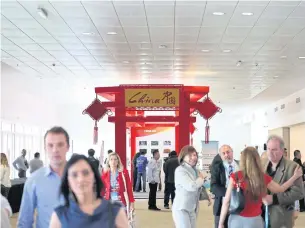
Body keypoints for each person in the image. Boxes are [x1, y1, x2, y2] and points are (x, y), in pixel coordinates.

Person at [218, 147, 303, 228]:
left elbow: (226, 202)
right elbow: (281, 189)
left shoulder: (235, 176)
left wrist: (221, 223)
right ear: (257, 160)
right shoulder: (262, 177)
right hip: (254, 220)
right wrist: (294, 177)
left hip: (235, 220)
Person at [49, 154, 128, 228]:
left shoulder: (115, 212)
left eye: (85, 173)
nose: (81, 179)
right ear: (67, 181)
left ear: (94, 176)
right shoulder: (59, 216)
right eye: (74, 175)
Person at [17, 126, 69, 228]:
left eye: (60, 144)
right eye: (50, 145)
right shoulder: (34, 180)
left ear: (68, 147)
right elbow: (25, 221)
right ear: (45, 148)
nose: (55, 150)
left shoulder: (83, 178)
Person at [262, 135, 305, 228]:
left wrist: (274, 199)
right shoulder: (262, 164)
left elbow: (299, 193)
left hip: (281, 217)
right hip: (262, 216)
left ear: (282, 151)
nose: (270, 152)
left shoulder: (293, 167)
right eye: (268, 149)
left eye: (274, 149)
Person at [172, 145, 207, 228]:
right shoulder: (180, 170)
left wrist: (207, 196)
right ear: (183, 157)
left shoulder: (195, 170)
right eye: (190, 155)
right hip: (181, 208)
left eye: (194, 155)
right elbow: (191, 186)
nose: (193, 157)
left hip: (192, 208)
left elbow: (199, 186)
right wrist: (201, 178)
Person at [211, 145, 239, 228]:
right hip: (221, 206)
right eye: (223, 153)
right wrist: (229, 193)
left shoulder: (241, 165)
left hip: (239, 207)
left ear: (232, 152)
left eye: (228, 152)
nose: (226, 155)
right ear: (221, 156)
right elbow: (213, 186)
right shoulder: (217, 168)